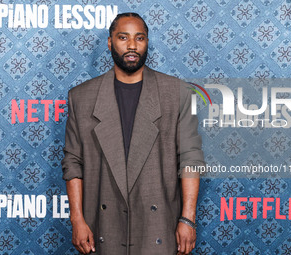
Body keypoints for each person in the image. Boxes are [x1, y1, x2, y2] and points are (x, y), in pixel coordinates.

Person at [61, 12, 205, 255]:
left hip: (158, 227)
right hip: (102, 226)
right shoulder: (82, 97)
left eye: (139, 38)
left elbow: (190, 159)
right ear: (110, 42)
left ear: (147, 42)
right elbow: (73, 162)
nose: (131, 46)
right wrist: (77, 219)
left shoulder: (177, 92)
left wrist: (188, 219)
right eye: (123, 37)